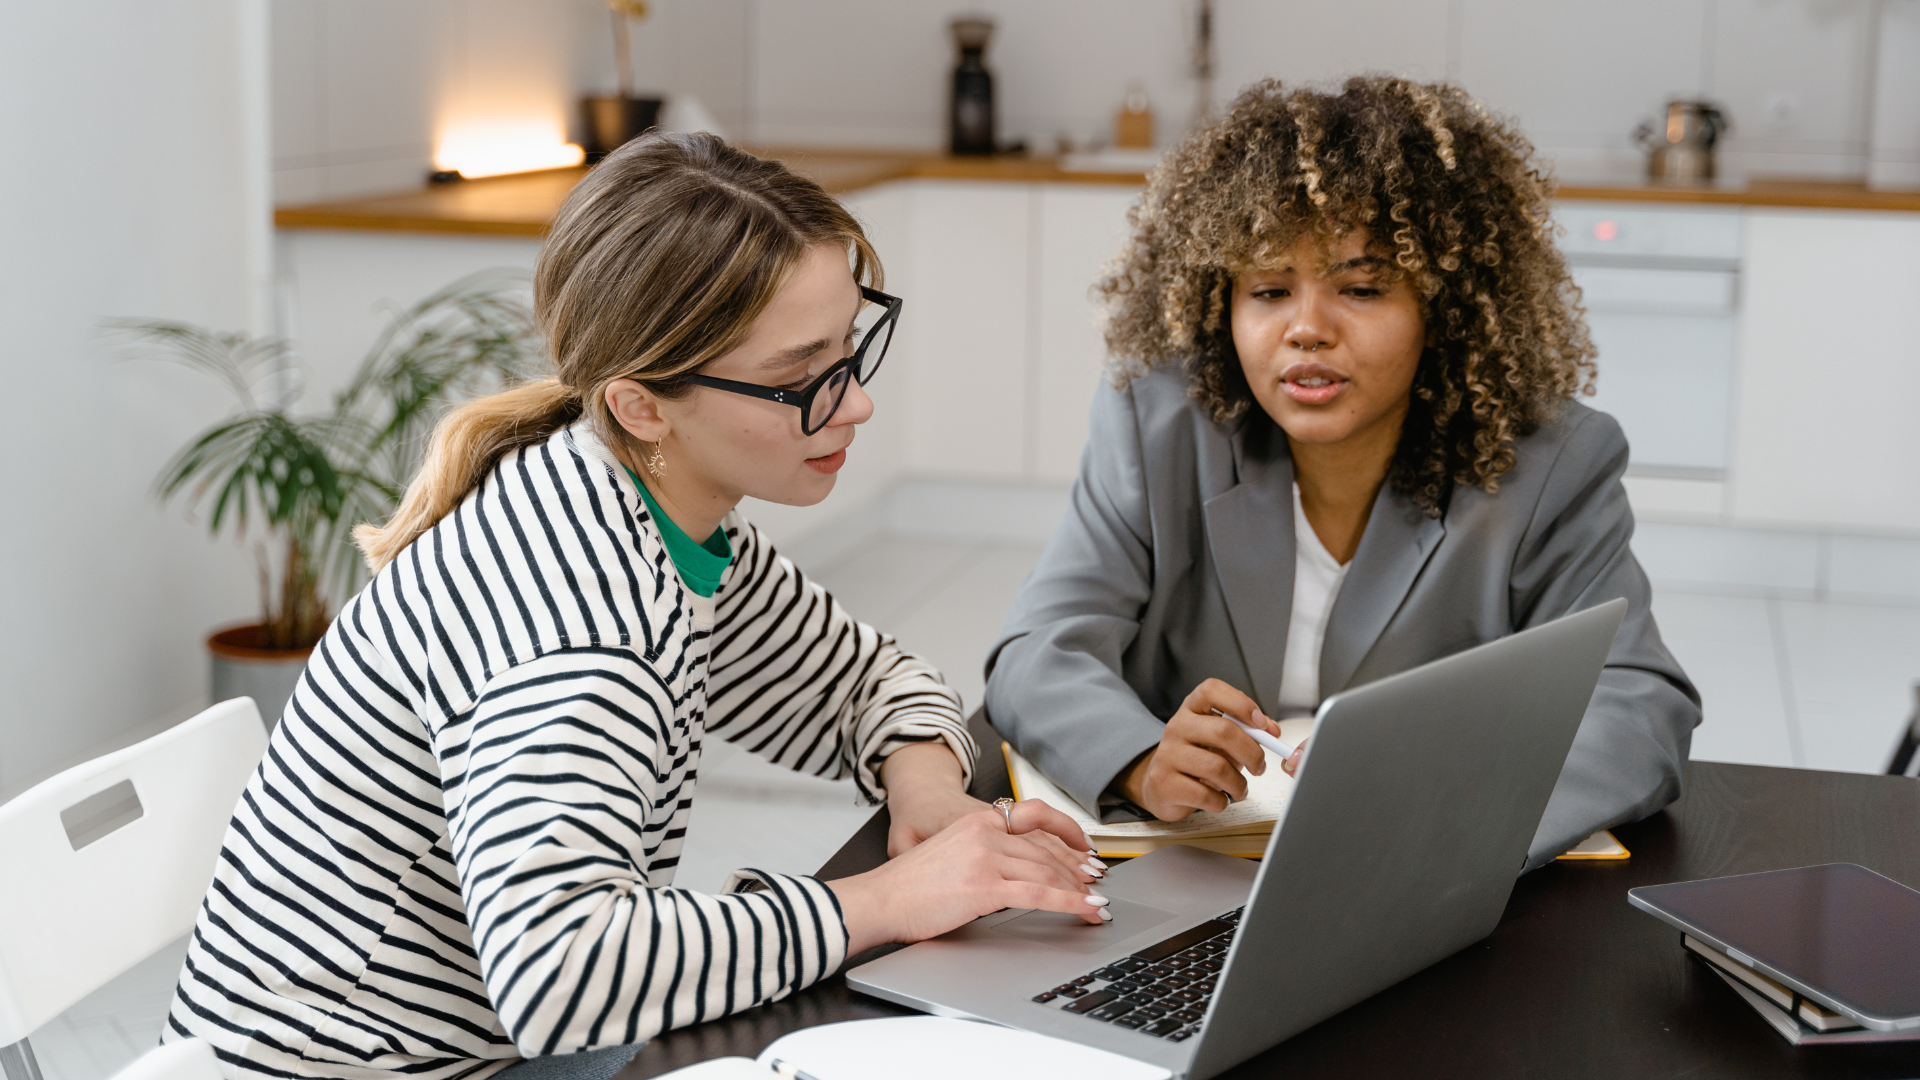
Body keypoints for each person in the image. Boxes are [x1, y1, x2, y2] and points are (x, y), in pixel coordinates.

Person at [164, 133, 1109, 1080]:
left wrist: (929, 795)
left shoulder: (649, 513)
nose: (854, 404)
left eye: (849, 351)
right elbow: (559, 974)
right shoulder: (584, 625)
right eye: (800, 379)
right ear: (642, 406)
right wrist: (888, 900)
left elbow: (866, 680)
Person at [984, 77, 1700, 868]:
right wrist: (1141, 760)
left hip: (1418, 888)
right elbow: (1037, 650)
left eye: (1360, 288)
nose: (1307, 330)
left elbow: (1639, 708)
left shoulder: (1549, 462)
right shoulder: (1159, 424)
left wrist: (1446, 812)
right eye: (1268, 290)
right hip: (1185, 873)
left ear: (1442, 308)